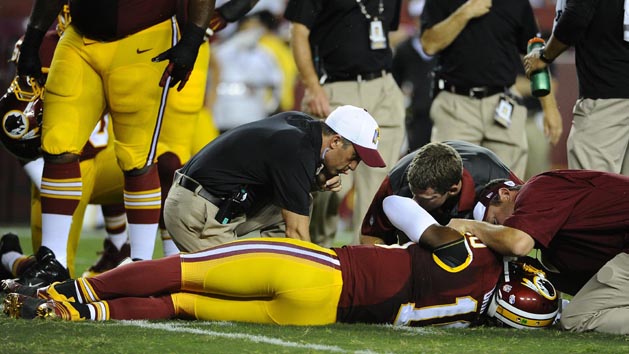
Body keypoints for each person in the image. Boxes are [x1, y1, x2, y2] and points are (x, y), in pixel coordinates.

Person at [15, 0, 216, 282]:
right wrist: (33, 38)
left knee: (138, 158)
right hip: (78, 38)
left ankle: (140, 265)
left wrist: (193, 39)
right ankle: (54, 260)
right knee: (57, 145)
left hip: (145, 39)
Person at [164, 105, 386, 252]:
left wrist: (316, 181)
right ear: (336, 141)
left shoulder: (301, 126)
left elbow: (283, 179)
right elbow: (297, 232)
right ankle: (142, 278)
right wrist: (320, 278)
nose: (354, 167)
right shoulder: (296, 148)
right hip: (196, 212)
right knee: (238, 291)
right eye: (355, 157)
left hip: (218, 205)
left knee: (302, 201)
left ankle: (275, 265)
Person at [285, 0, 406, 246]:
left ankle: (368, 262)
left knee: (379, 186)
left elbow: (382, 31)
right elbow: (298, 32)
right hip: (336, 86)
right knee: (329, 183)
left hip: (383, 86)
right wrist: (312, 85)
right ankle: (318, 253)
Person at [448, 170, 629, 334]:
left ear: (505, 194)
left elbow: (517, 244)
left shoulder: (535, 189)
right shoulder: (554, 248)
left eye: (495, 223)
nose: (499, 232)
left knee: (576, 318)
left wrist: (470, 226)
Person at [420, 0, 563, 178]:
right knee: (446, 180)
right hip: (456, 103)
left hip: (503, 103)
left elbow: (535, 53)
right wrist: (466, 12)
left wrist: (549, 107)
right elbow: (429, 44)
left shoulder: (516, 3)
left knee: (507, 186)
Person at [523, 0, 629, 176]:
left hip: (608, 97)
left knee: (591, 193)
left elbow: (577, 15)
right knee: (622, 196)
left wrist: (544, 56)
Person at [361, 141, 522, 245]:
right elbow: (370, 237)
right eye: (413, 193)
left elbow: (532, 214)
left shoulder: (492, 173)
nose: (414, 203)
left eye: (425, 198)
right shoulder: (397, 182)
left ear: (453, 189)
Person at [391, 0, 437, 151]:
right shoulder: (404, 49)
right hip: (415, 116)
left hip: (440, 112)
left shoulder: (444, 47)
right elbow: (395, 81)